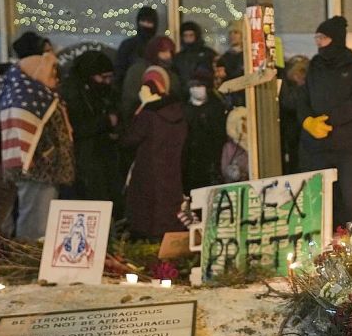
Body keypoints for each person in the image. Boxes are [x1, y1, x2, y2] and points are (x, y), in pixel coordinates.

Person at [297, 16, 352, 227]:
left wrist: (329, 120)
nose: (318, 42)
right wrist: (307, 121)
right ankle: (324, 248)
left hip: (349, 146)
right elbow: (303, 97)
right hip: (317, 146)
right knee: (320, 201)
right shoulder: (315, 65)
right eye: (317, 37)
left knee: (351, 200)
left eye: (322, 37)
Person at [0, 51, 75, 240]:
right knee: (36, 224)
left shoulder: (40, 94)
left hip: (48, 170)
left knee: (43, 221)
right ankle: (29, 261)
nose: (54, 77)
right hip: (38, 169)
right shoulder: (26, 97)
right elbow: (25, 135)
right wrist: (47, 155)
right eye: (50, 73)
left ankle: (36, 259)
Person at [121, 66, 188, 240]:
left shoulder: (148, 115)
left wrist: (142, 107)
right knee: (169, 208)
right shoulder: (178, 112)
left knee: (148, 212)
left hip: (148, 170)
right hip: (172, 170)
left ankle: (150, 246)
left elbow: (129, 139)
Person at [59, 50, 121, 203]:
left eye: (110, 77)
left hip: (100, 155)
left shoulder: (101, 91)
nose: (107, 81)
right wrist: (106, 122)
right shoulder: (73, 93)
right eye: (103, 77)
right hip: (84, 159)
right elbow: (78, 127)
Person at [182, 69, 227, 193]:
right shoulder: (184, 109)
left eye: (200, 85)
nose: (196, 88)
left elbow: (219, 136)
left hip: (210, 161)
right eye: (193, 86)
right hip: (190, 163)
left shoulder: (216, 108)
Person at [121, 36, 179, 122]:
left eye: (170, 52)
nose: (168, 56)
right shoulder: (138, 71)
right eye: (163, 52)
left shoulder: (172, 74)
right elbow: (129, 99)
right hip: (142, 121)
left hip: (166, 122)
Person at [279, 55, 309, 175]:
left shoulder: (287, 85)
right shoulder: (293, 88)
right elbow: (289, 103)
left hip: (294, 129)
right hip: (294, 129)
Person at [115, 6, 159, 85]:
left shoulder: (159, 45)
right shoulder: (128, 45)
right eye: (143, 21)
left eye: (149, 22)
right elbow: (120, 72)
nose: (145, 25)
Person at [174, 21, 217, 93]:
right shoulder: (179, 57)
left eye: (191, 35)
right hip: (184, 93)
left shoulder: (208, 53)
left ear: (196, 36)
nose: (188, 38)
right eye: (185, 35)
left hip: (205, 92)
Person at [215, 27, 245, 109]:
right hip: (231, 97)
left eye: (236, 32)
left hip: (246, 95)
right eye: (230, 33)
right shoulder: (223, 58)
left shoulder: (248, 55)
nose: (232, 36)